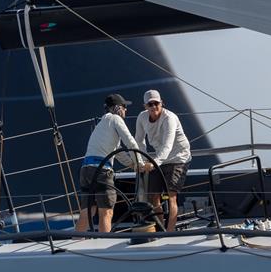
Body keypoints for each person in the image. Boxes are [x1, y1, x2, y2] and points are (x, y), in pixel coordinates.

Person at [75, 94, 146, 233]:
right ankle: (105, 248)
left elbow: (117, 151)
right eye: (124, 107)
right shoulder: (116, 119)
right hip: (101, 171)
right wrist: (141, 164)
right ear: (118, 108)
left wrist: (133, 165)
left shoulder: (102, 124)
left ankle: (76, 243)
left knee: (87, 212)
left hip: (86, 169)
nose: (126, 110)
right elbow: (130, 142)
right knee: (106, 213)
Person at [135, 89, 192, 232]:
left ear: (162, 103)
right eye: (150, 104)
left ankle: (170, 233)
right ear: (145, 106)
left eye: (156, 103)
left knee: (171, 196)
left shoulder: (169, 118)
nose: (154, 107)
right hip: (159, 160)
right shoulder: (142, 118)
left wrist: (153, 163)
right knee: (153, 197)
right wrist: (141, 161)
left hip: (179, 157)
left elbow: (168, 145)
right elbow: (139, 141)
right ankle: (161, 230)